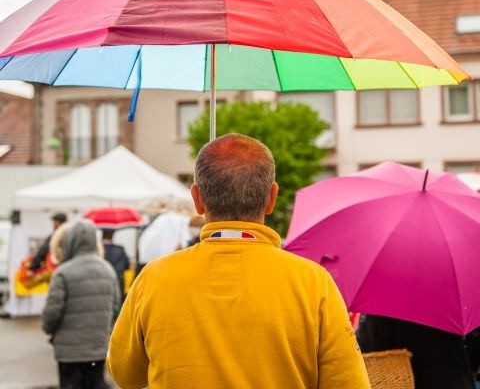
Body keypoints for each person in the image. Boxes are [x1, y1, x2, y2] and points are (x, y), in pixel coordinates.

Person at [107, 133, 370, 388]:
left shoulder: (154, 279)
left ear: (197, 199)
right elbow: (348, 382)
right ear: (271, 198)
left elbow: (125, 374)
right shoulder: (313, 282)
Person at [42, 220, 119, 389]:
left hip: (69, 352)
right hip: (98, 348)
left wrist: (48, 329)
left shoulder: (63, 272)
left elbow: (51, 313)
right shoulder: (108, 270)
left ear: (69, 241)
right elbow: (115, 308)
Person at [357, 314, 475, 389]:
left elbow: (371, 350)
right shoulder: (456, 290)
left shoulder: (384, 295)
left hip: (412, 381)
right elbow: (474, 350)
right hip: (458, 382)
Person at [102, 229, 130, 296]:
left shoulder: (98, 251)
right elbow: (127, 266)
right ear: (112, 235)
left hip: (103, 286)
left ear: (102, 235)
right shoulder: (120, 249)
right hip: (119, 285)